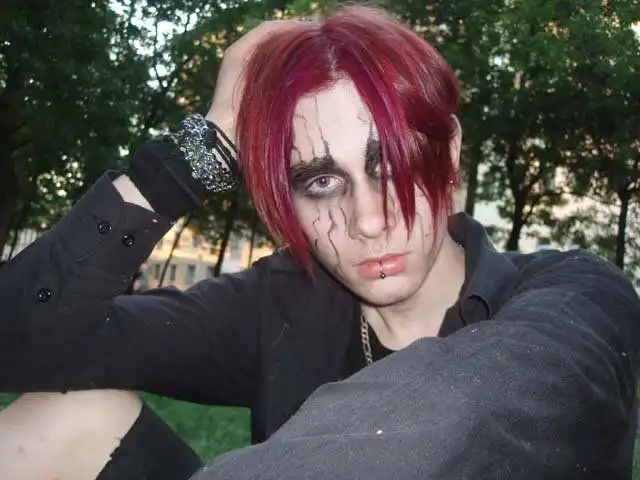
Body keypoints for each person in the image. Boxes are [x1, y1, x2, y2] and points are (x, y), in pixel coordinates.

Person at [0, 5, 639, 480]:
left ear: (449, 155)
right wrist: (199, 155)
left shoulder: (577, 299)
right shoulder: (281, 305)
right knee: (61, 422)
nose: (368, 221)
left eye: (391, 164)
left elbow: (470, 415)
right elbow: (24, 341)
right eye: (321, 181)